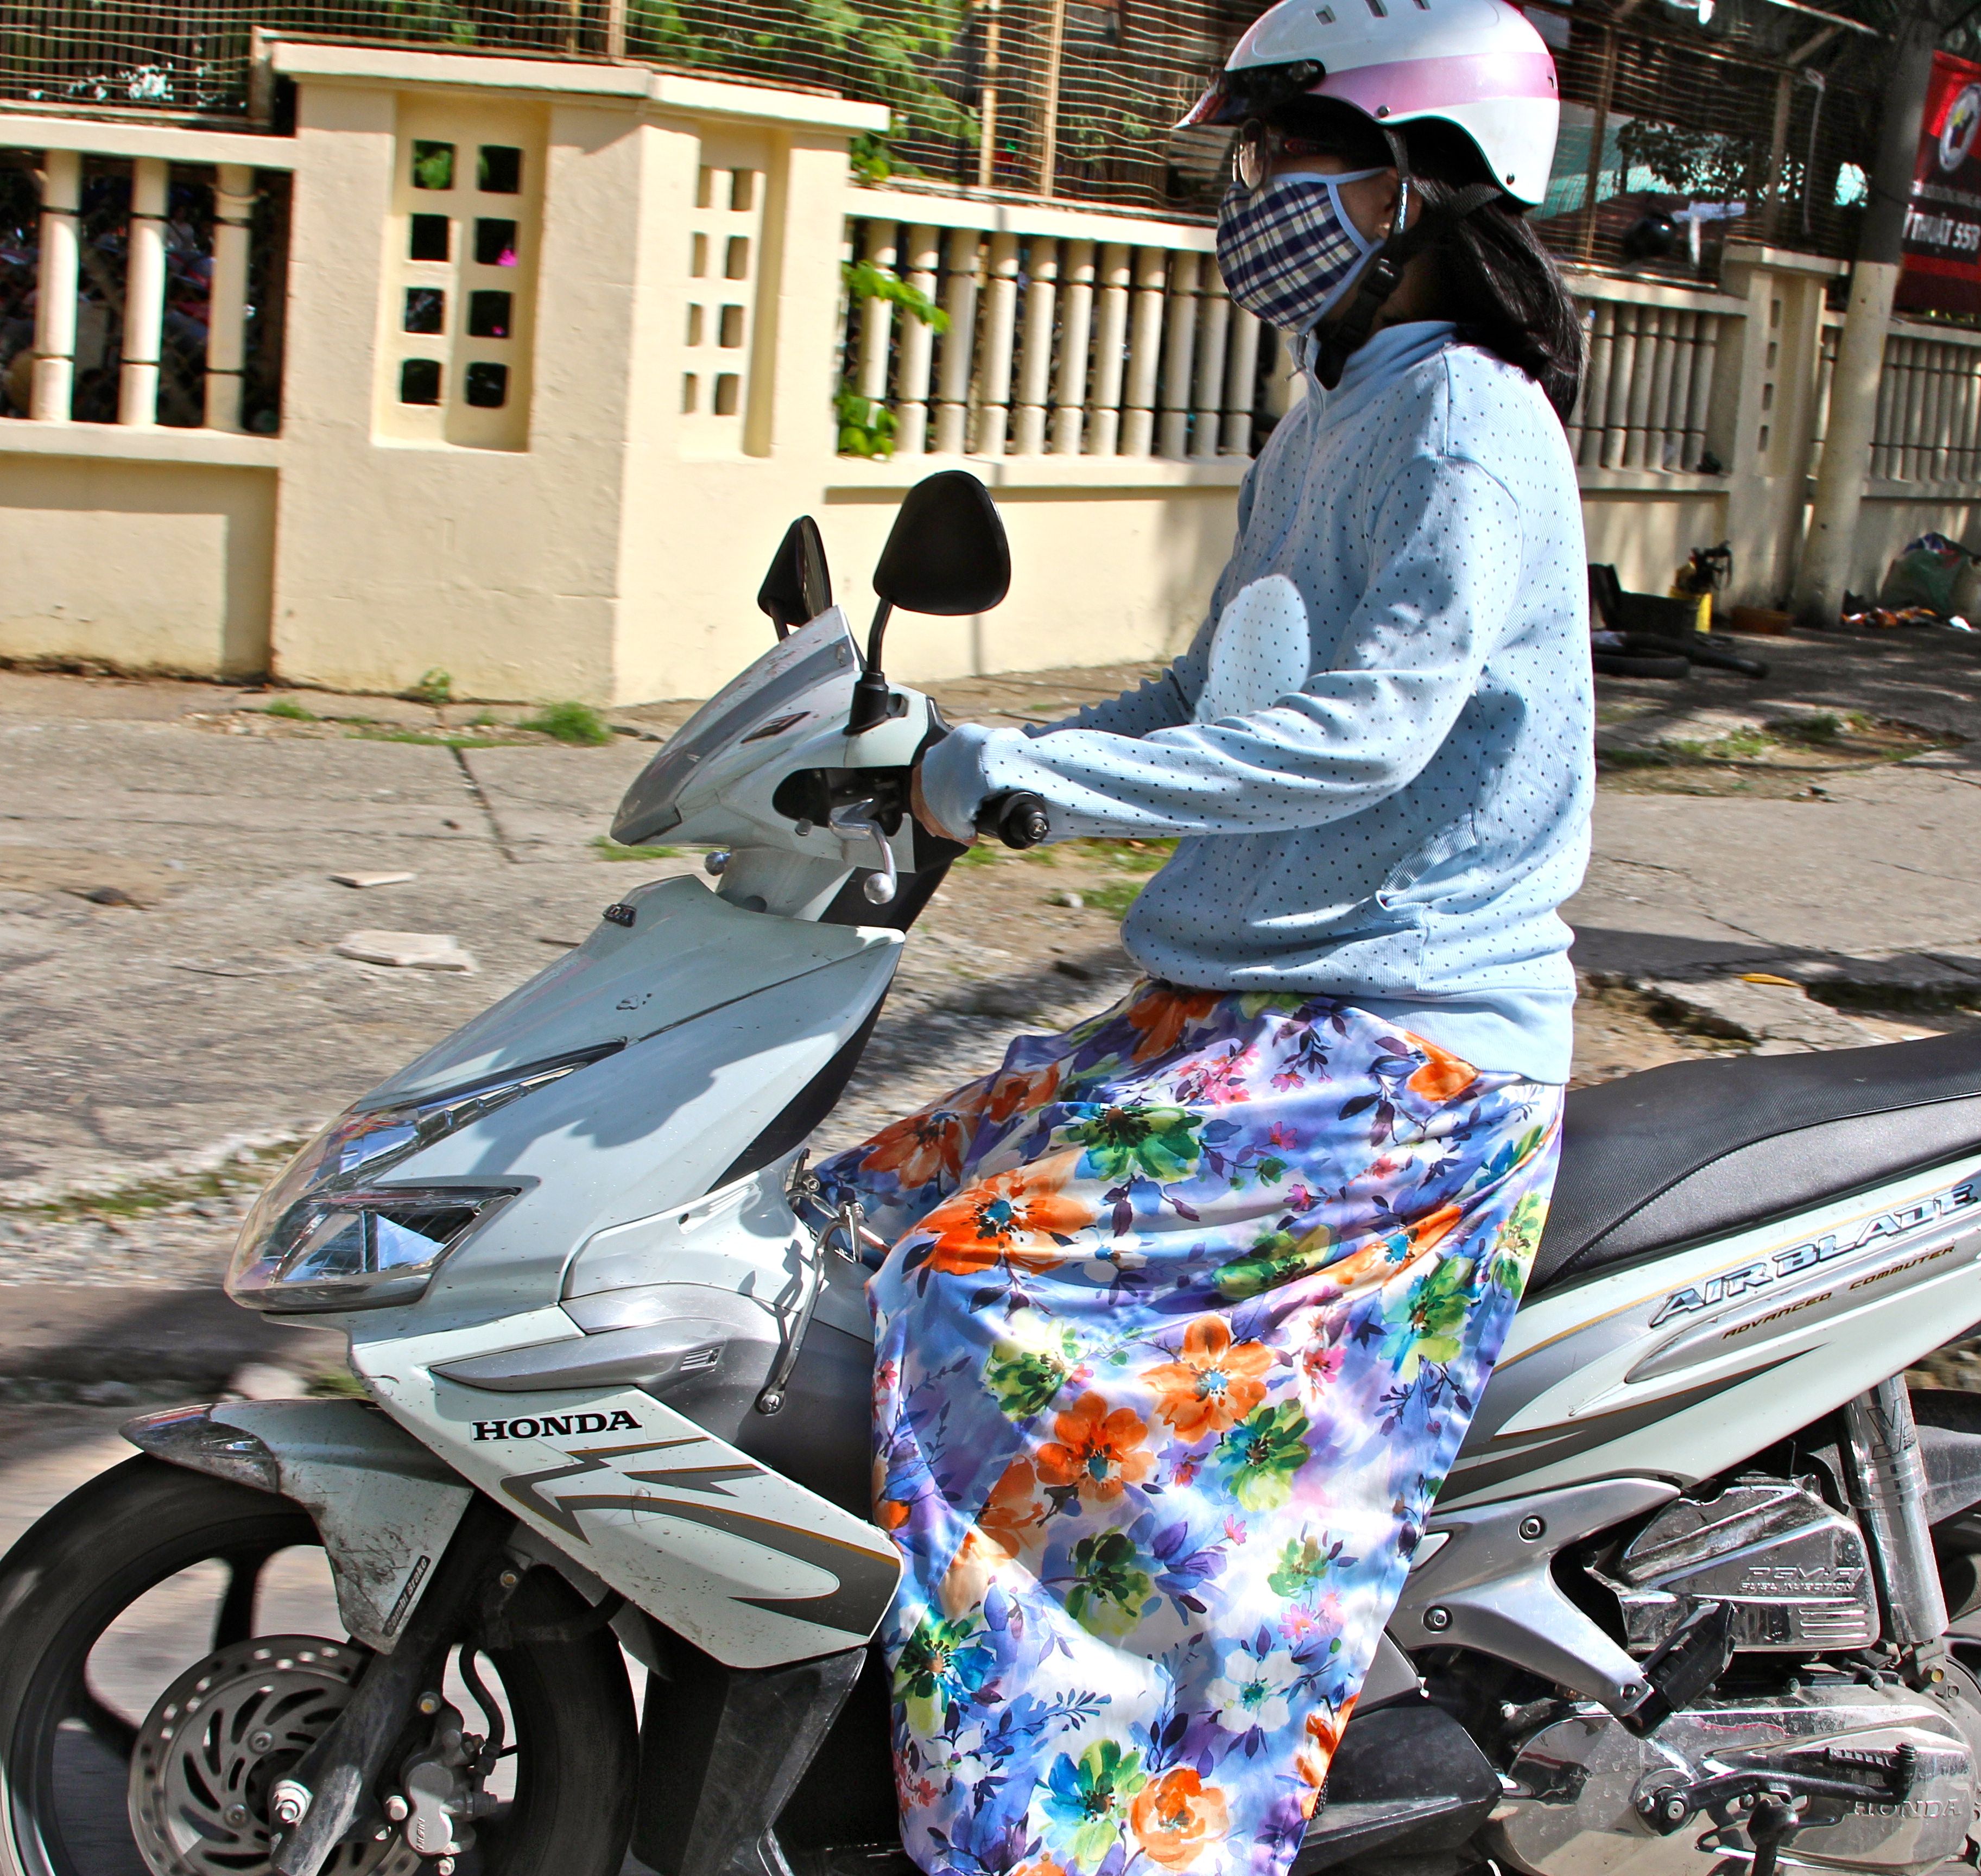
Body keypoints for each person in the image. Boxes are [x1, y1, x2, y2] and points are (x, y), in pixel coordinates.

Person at [807, 4, 1590, 1872]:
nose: (1256, 191)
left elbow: (1371, 733)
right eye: (1251, 153)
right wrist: (979, 757)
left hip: (1395, 1049)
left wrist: (1045, 788)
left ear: (1425, 179)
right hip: (1245, 1011)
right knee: (835, 1225)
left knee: (977, 1293)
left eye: (1295, 150)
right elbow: (1215, 691)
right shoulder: (1335, 413)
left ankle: (1097, 1815)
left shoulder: (1469, 426)